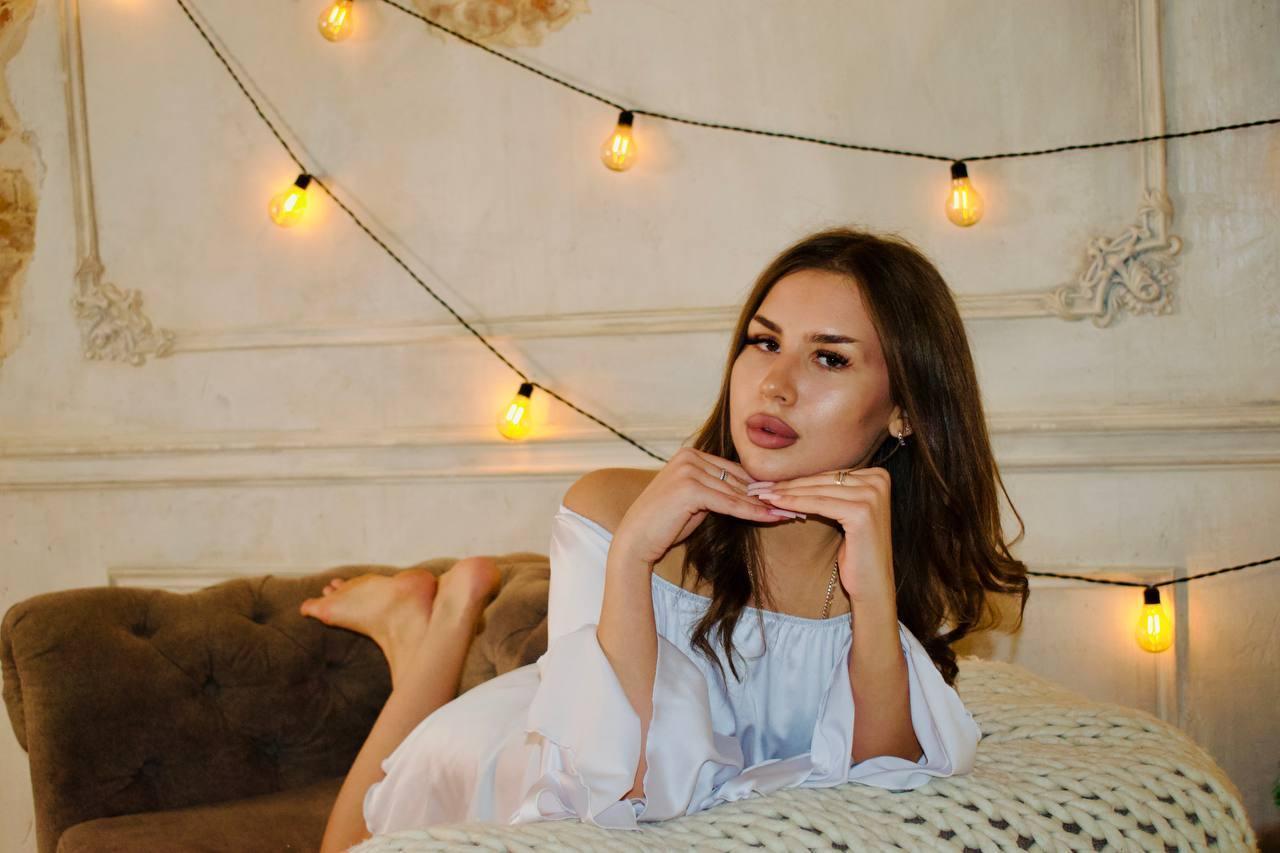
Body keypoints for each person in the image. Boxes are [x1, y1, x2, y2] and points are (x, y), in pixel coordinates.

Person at [299, 226, 1031, 851]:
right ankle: (437, 624)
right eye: (764, 342)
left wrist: (873, 596)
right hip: (540, 765)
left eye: (829, 357)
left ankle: (428, 623)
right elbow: (617, 789)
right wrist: (631, 558)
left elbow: (885, 781)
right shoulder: (613, 507)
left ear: (904, 412)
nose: (774, 385)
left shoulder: (891, 554)